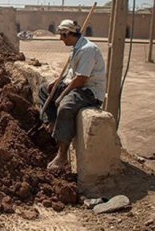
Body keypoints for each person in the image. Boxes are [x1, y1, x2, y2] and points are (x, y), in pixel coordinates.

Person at [39, 19, 106, 170]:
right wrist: (57, 82)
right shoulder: (76, 48)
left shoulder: (87, 50)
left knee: (65, 106)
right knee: (44, 89)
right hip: (77, 84)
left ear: (69, 33)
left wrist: (62, 95)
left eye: (63, 36)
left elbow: (81, 79)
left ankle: (61, 156)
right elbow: (71, 74)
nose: (61, 39)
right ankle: (53, 122)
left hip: (89, 91)